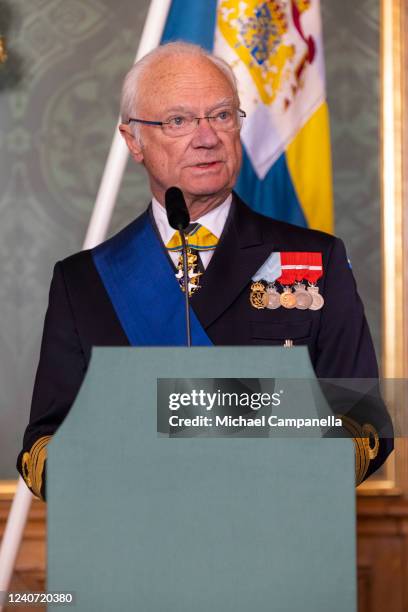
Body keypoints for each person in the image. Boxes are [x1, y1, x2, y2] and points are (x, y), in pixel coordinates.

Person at [17, 42, 393, 500]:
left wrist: (193, 416)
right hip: (135, 549)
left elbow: (365, 422)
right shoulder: (84, 282)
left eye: (222, 115)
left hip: (277, 542)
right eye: (178, 121)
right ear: (133, 140)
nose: (207, 136)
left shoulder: (317, 259)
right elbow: (42, 446)